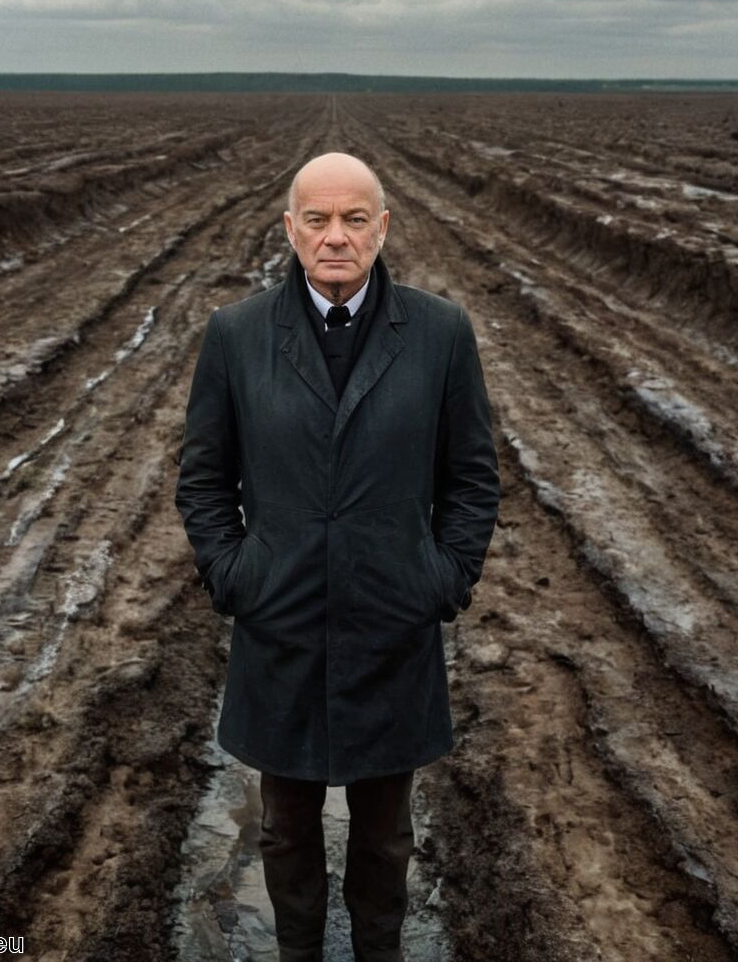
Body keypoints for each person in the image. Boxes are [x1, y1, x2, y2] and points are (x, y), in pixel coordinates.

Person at [175, 152, 500, 962]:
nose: (335, 237)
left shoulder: (438, 333)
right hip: (279, 619)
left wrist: (442, 580)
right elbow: (204, 480)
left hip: (393, 620)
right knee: (286, 832)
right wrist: (235, 576)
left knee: (385, 838)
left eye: (355, 219)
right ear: (290, 229)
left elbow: (472, 478)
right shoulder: (238, 334)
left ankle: (380, 952)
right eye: (316, 220)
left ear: (382, 228)